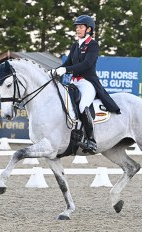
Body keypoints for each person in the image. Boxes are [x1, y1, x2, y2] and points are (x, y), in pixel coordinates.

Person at [51, 15, 121, 154]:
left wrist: (66, 70)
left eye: (80, 27)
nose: (78, 29)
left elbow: (86, 64)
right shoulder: (75, 46)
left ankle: (91, 140)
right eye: (77, 27)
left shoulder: (93, 45)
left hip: (88, 82)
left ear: (89, 29)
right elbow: (67, 63)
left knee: (83, 106)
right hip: (74, 83)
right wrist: (54, 71)